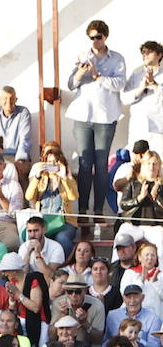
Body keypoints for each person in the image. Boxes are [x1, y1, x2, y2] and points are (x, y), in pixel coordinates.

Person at [66, 20, 127, 218]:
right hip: (83, 115)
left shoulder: (117, 59)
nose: (95, 41)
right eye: (91, 37)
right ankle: (83, 210)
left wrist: (97, 75)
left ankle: (99, 211)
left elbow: (119, 84)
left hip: (106, 117)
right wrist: (80, 74)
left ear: (105, 37)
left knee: (101, 165)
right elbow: (71, 84)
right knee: (84, 163)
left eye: (98, 37)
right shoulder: (82, 55)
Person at [25, 142, 79, 256]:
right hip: (44, 221)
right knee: (33, 237)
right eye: (49, 162)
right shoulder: (42, 178)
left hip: (65, 222)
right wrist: (37, 177)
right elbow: (29, 196)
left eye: (55, 162)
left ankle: (61, 266)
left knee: (62, 239)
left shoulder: (67, 178)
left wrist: (64, 177)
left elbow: (73, 196)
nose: (52, 165)